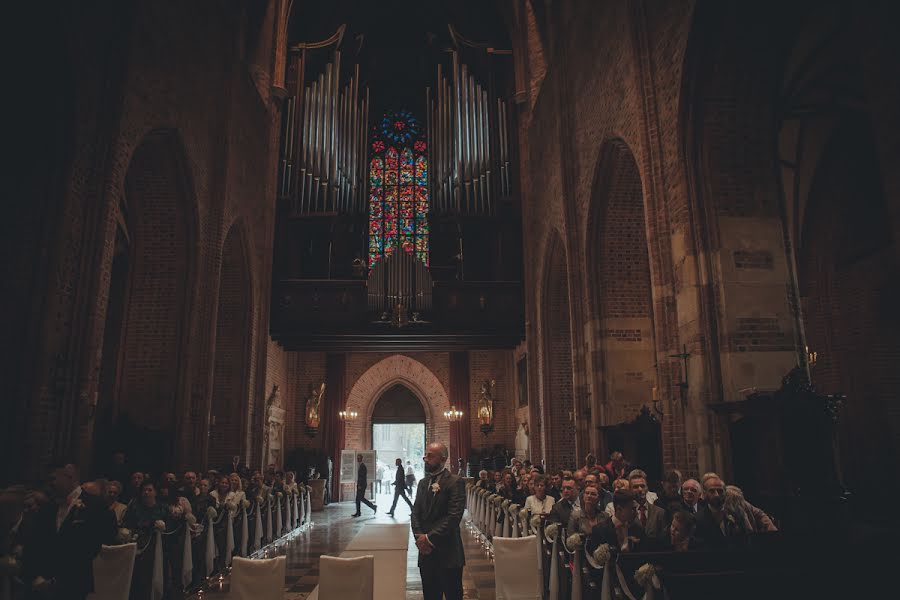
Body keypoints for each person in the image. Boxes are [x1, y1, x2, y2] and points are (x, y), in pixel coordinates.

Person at [22, 462, 116, 600]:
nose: (51, 483)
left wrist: (58, 580)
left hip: (73, 584)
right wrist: (35, 576)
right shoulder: (48, 507)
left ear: (69, 475)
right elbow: (35, 542)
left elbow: (94, 545)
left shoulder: (95, 505)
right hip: (40, 584)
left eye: (53, 478)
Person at [411, 442, 466, 600]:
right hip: (426, 554)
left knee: (453, 595)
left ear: (443, 458)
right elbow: (415, 513)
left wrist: (428, 538)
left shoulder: (455, 482)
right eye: (425, 455)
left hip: (448, 552)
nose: (425, 459)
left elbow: (454, 516)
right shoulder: (422, 483)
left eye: (430, 456)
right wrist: (419, 537)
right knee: (430, 595)